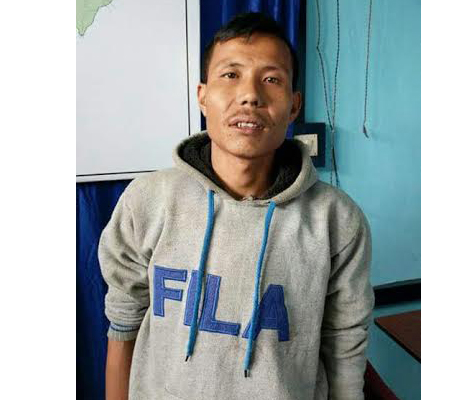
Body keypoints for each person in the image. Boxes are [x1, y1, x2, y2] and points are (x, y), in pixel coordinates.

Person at [99, 12, 374, 400]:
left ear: (294, 105)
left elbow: (344, 350)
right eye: (230, 75)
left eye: (271, 79)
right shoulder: (147, 201)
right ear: (202, 96)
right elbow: (123, 324)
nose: (250, 95)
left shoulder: (337, 220)